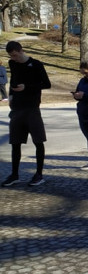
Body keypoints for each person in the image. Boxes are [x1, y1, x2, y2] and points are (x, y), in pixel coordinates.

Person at [2, 41, 51, 187]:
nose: (14, 58)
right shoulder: (13, 64)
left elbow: (47, 84)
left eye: (15, 55)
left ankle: (39, 174)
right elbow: (13, 81)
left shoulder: (36, 64)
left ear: (21, 50)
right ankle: (14, 174)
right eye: (11, 56)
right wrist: (10, 96)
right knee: (15, 143)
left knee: (38, 141)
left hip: (32, 108)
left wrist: (27, 87)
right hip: (17, 108)